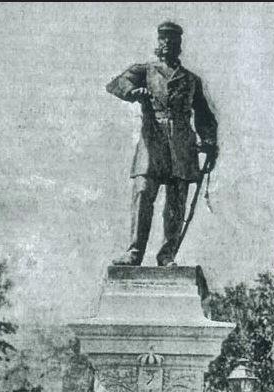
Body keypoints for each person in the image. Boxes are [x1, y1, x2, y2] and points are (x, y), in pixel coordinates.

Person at [106, 21, 218, 267]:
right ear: (158, 43)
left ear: (179, 45)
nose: (167, 44)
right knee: (143, 191)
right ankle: (134, 251)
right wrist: (133, 93)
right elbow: (116, 84)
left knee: (176, 201)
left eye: (172, 40)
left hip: (182, 144)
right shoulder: (145, 71)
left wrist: (209, 142)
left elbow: (204, 115)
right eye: (163, 39)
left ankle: (167, 254)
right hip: (152, 140)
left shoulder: (191, 80)